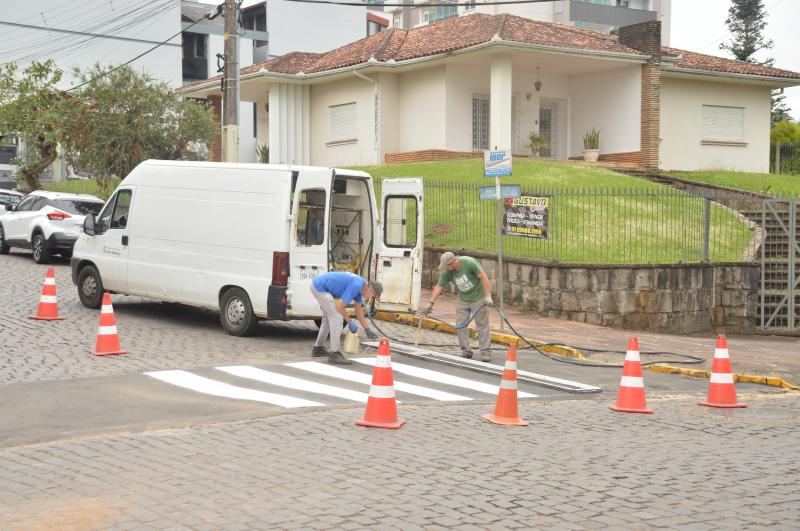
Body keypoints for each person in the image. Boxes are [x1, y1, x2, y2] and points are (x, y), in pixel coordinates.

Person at [420, 252, 494, 362]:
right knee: (460, 325)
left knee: (482, 325)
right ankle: (466, 350)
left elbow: (483, 277)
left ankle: (485, 352)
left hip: (479, 297)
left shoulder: (469, 263)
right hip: (463, 299)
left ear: (453, 262)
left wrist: (488, 295)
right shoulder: (447, 271)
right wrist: (430, 303)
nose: (446, 269)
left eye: (447, 266)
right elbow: (439, 286)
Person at [310, 272, 382, 365]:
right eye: (373, 296)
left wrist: (367, 329)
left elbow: (358, 311)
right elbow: (340, 306)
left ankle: (317, 349)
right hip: (319, 287)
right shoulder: (356, 285)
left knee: (328, 319)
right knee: (337, 318)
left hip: (318, 285)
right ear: (371, 290)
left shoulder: (360, 289)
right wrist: (349, 322)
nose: (371, 298)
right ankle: (334, 354)